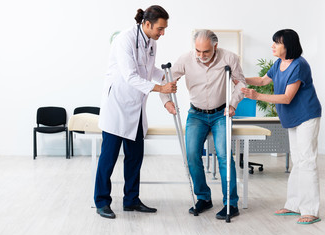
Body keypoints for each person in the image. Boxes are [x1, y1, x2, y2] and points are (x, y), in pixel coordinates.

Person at [95, 5, 177, 219]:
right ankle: (102, 201)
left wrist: (168, 76)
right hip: (117, 105)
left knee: (135, 158)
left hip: (136, 107)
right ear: (147, 24)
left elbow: (148, 70)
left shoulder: (151, 43)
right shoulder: (124, 40)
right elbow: (131, 76)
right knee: (108, 158)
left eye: (164, 29)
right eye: (160, 28)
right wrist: (161, 88)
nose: (163, 33)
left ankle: (131, 200)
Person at [160, 29, 246, 219]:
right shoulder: (186, 59)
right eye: (198, 51)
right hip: (196, 114)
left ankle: (231, 203)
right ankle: (203, 198)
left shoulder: (229, 58)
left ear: (215, 46)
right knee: (191, 154)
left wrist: (233, 104)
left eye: (206, 51)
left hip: (221, 113)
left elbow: (241, 83)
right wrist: (167, 101)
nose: (201, 56)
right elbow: (165, 80)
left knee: (224, 156)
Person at [241, 29, 322, 225]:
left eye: (277, 43)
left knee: (306, 161)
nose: (273, 46)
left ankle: (310, 210)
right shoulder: (279, 63)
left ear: (289, 45)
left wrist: (256, 96)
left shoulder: (299, 65)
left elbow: (286, 97)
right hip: (292, 118)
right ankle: (294, 205)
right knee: (297, 161)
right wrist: (239, 79)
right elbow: (262, 81)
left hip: (306, 116)